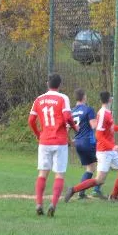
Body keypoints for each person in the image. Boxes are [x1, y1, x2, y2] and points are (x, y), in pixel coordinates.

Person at [65, 91, 118, 203]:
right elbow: (98, 135)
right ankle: (73, 190)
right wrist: (113, 146)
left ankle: (114, 197)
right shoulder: (102, 114)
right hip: (104, 151)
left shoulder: (107, 113)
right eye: (111, 97)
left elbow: (111, 127)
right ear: (110, 99)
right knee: (99, 180)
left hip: (111, 150)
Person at [27, 73, 77, 217]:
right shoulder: (63, 98)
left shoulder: (39, 99)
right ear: (60, 85)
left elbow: (31, 120)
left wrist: (38, 134)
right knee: (59, 174)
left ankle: (38, 203)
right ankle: (53, 204)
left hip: (44, 141)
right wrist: (75, 127)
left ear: (47, 84)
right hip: (59, 141)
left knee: (43, 173)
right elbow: (67, 117)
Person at [70, 88, 104, 200]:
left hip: (78, 142)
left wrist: (70, 141)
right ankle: (96, 190)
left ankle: (82, 192)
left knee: (91, 167)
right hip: (88, 142)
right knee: (104, 162)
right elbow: (94, 125)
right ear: (84, 96)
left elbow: (67, 127)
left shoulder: (72, 111)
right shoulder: (88, 109)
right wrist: (102, 119)